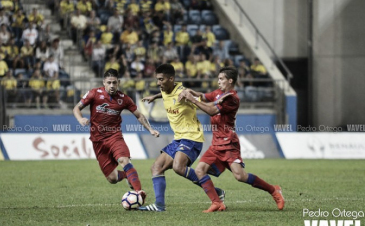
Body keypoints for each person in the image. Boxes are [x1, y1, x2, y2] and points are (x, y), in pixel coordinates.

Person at [178, 66, 285, 213]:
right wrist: (191, 92)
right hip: (216, 143)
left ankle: (274, 190)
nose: (218, 81)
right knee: (200, 170)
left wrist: (192, 99)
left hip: (229, 143)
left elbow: (211, 110)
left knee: (240, 176)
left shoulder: (231, 98)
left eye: (221, 79)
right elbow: (203, 96)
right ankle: (217, 203)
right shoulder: (218, 93)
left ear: (230, 80)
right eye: (218, 78)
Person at [138, 64, 225, 212]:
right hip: (178, 139)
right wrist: (154, 96)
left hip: (192, 137)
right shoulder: (165, 90)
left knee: (179, 167)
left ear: (171, 79)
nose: (158, 83)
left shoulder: (184, 94)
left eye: (161, 80)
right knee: (156, 168)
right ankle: (159, 206)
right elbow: (166, 94)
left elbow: (207, 103)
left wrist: (218, 102)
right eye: (157, 80)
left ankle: (215, 194)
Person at [73, 68, 160, 203]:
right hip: (98, 141)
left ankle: (139, 192)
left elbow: (139, 115)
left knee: (124, 160)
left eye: (114, 82)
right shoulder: (94, 94)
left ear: (118, 82)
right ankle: (127, 176)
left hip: (115, 136)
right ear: (104, 82)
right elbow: (76, 108)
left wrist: (150, 129)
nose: (112, 86)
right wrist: (80, 119)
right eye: (109, 82)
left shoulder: (124, 99)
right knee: (112, 179)